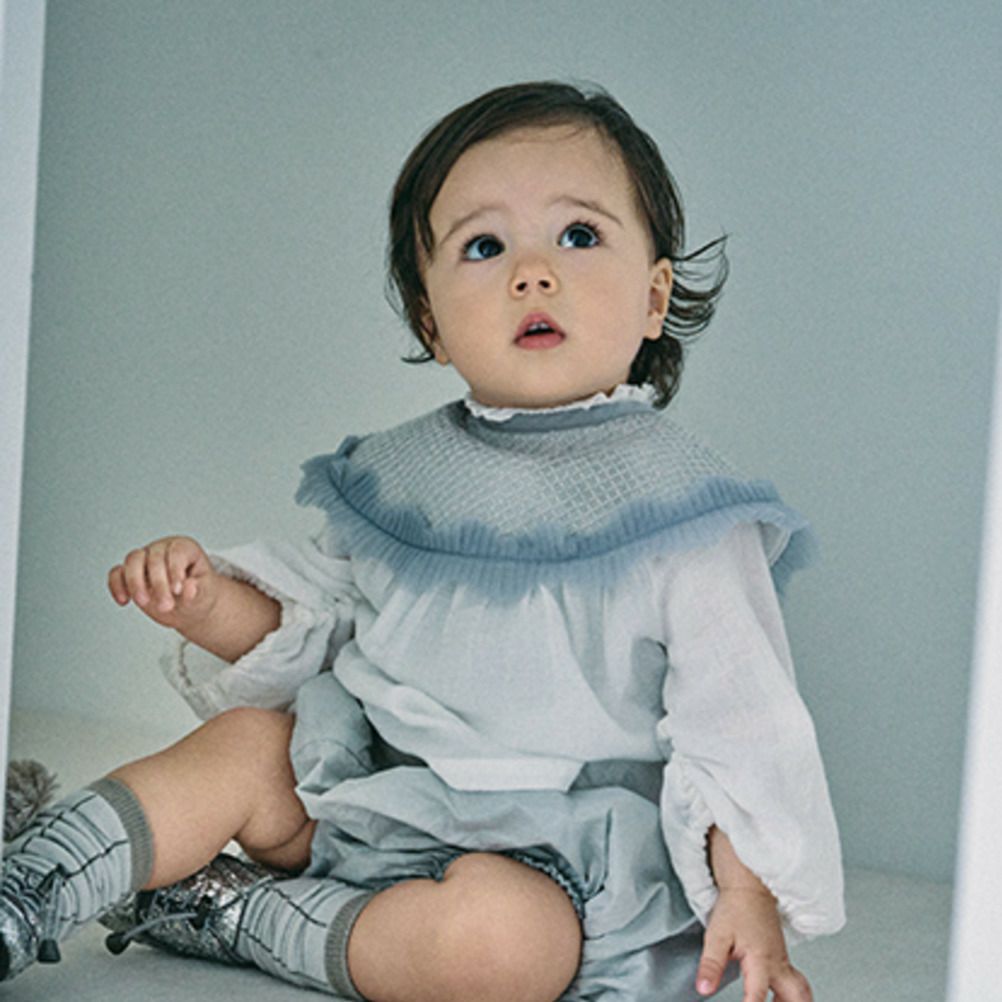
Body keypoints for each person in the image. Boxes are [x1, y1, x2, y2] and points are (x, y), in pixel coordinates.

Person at [0, 81, 844, 1002]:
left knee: (497, 945)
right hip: (364, 804)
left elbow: (739, 722)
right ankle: (33, 883)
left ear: (654, 297)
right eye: (484, 246)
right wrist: (205, 603)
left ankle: (232, 913)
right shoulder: (402, 476)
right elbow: (324, 629)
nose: (533, 274)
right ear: (432, 321)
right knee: (243, 744)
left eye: (578, 235)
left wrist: (748, 893)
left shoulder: (683, 511)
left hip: (555, 867)